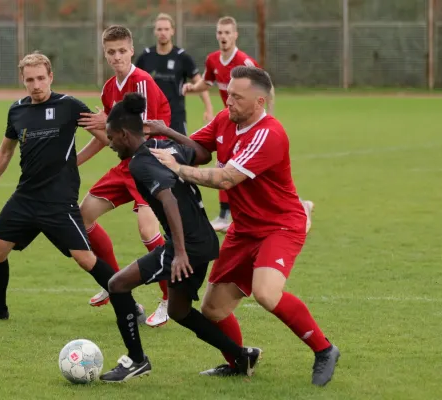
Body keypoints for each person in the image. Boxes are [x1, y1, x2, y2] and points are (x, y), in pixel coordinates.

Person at [147, 66, 340, 386]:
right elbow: (196, 150)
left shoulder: (269, 134)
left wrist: (178, 169)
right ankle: (240, 361)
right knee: (213, 309)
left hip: (279, 226)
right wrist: (157, 137)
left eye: (237, 97)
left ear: (260, 102)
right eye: (228, 94)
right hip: (244, 229)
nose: (228, 101)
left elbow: (226, 178)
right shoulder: (225, 119)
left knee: (266, 292)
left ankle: (324, 349)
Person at [0, 52, 143, 324]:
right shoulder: (17, 110)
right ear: (22, 80)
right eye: (30, 80)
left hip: (58, 200)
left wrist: (96, 138)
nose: (36, 85)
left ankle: (130, 307)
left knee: (85, 258)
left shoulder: (69, 106)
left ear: (51, 77)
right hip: (25, 197)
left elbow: (107, 138)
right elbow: (5, 152)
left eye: (41, 78)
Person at [98, 93, 261, 383]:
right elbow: (202, 155)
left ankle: (136, 360)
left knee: (117, 285)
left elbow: (168, 199)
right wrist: (168, 131)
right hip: (203, 241)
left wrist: (181, 253)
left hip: (189, 246)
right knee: (179, 310)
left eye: (111, 138)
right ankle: (241, 356)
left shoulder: (140, 163)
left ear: (124, 134)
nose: (110, 144)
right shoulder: (164, 146)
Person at [77, 25, 172, 327]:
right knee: (83, 216)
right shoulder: (108, 88)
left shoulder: (140, 81)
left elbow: (144, 130)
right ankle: (114, 282)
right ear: (105, 54)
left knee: (147, 230)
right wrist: (74, 161)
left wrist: (107, 121)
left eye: (122, 51)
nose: (117, 56)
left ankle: (169, 298)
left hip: (150, 162)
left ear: (132, 50)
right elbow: (110, 137)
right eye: (111, 52)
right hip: (127, 164)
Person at [182, 16, 314, 234]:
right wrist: (192, 88)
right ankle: (228, 215)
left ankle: (295, 206)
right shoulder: (213, 60)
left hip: (250, 122)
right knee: (229, 166)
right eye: (220, 32)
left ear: (235, 35)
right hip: (230, 121)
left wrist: (269, 118)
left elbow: (266, 88)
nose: (223, 36)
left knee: (239, 171)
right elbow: (206, 82)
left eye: (227, 32)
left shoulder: (245, 62)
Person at [135, 13, 213, 135]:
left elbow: (200, 83)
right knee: (149, 147)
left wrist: (208, 108)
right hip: (150, 117)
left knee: (179, 147)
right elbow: (133, 83)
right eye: (159, 29)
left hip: (176, 117)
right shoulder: (145, 57)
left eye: (166, 29)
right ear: (155, 31)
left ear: (173, 31)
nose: (163, 33)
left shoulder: (182, 57)